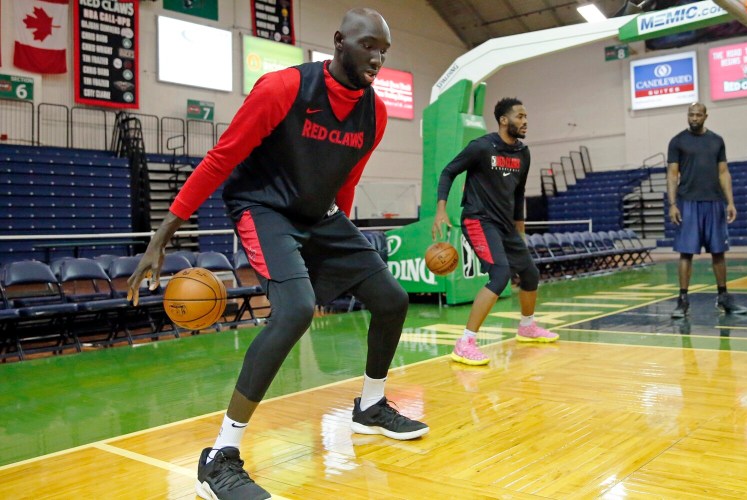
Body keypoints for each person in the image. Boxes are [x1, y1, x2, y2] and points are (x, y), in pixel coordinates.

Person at [127, 9, 428, 500]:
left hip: (320, 214)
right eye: (369, 45)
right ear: (339, 42)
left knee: (392, 298)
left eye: (384, 51)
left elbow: (345, 180)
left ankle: (370, 406)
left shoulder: (375, 113)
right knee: (293, 312)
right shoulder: (281, 89)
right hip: (262, 206)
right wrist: (161, 236)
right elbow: (221, 159)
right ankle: (219, 457)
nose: (378, 57)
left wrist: (337, 251)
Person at [432, 97, 558, 366]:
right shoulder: (481, 147)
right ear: (504, 120)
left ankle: (527, 327)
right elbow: (448, 172)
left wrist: (520, 232)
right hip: (478, 220)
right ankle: (464, 342)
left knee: (530, 273)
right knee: (500, 275)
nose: (525, 121)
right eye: (520, 116)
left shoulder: (523, 153)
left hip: (505, 224)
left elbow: (519, 193)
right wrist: (441, 210)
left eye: (526, 117)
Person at [667, 102, 747, 319]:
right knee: (686, 253)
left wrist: (730, 202)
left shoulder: (716, 140)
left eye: (697, 115)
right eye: (690, 115)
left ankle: (724, 298)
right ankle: (682, 301)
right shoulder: (677, 141)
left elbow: (724, 172)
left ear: (705, 116)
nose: (693, 118)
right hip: (688, 203)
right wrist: (672, 204)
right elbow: (673, 175)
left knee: (719, 252)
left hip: (714, 202)